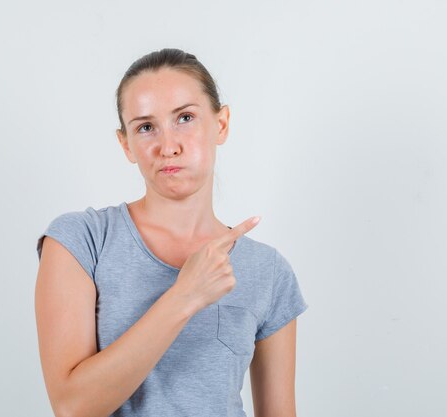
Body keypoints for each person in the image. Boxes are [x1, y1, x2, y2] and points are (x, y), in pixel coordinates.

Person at [34, 48, 309, 417]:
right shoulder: (81, 241)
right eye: (146, 127)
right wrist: (185, 296)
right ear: (126, 144)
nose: (168, 146)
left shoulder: (269, 271)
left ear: (221, 124)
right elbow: (72, 406)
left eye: (185, 118)